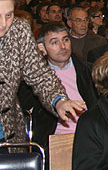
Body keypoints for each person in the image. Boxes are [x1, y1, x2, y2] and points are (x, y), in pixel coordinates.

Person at [0, 0, 88, 145]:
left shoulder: (19, 30)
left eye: (9, 15)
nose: (4, 24)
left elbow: (39, 73)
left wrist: (59, 100)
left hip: (8, 132)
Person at [18, 21, 98, 150]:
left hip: (91, 138)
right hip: (54, 142)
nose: (63, 46)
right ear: (42, 49)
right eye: (55, 42)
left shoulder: (89, 71)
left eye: (65, 40)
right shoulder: (34, 78)